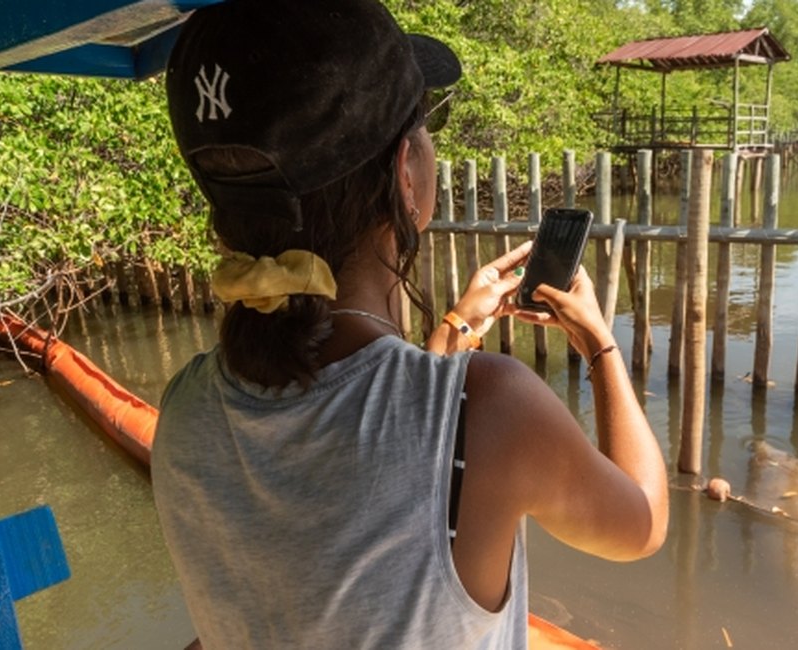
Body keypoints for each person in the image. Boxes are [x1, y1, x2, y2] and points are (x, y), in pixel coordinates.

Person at [150, 0, 668, 648]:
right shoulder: (496, 408)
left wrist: (451, 332)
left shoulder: (186, 405)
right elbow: (641, 525)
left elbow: (370, 469)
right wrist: (599, 344)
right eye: (426, 125)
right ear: (407, 174)